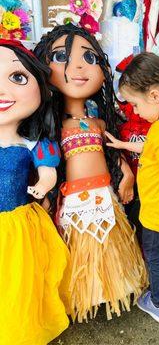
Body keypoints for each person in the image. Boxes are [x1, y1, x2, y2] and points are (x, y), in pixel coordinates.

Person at [34, 24, 148, 323]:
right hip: (73, 198)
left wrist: (127, 174)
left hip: (104, 193)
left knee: (110, 244)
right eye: (61, 57)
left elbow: (113, 151)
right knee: (80, 247)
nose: (79, 67)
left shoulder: (98, 123)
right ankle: (85, 293)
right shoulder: (54, 126)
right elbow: (48, 165)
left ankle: (110, 288)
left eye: (90, 59)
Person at [106, 52, 159, 323]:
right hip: (158, 208)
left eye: (134, 104)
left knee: (154, 256)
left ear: (154, 96)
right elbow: (151, 148)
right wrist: (123, 145)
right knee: (157, 256)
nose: (134, 111)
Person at [0, 39, 69, 344]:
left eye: (17, 77)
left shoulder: (32, 143)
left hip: (17, 227)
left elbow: (48, 171)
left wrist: (43, 184)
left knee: (19, 282)